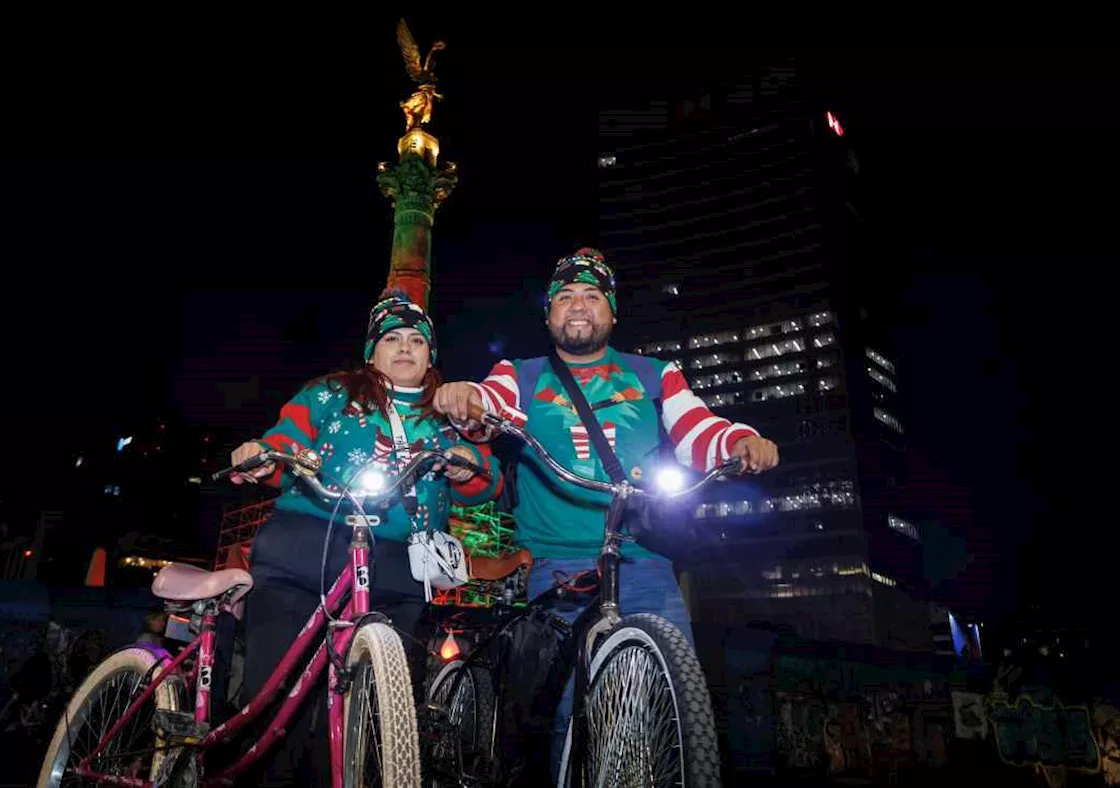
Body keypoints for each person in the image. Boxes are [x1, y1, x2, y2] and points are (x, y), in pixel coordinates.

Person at [433, 247, 779, 770]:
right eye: (565, 297)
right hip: (556, 566)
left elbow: (697, 429)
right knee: (568, 709)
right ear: (548, 314)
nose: (577, 305)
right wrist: (467, 401)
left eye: (592, 296)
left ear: (611, 313)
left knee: (669, 702)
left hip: (644, 561)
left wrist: (738, 441)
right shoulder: (520, 373)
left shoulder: (655, 374)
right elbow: (491, 408)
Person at [228, 292, 503, 786]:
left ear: (430, 355)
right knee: (275, 695)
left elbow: (487, 476)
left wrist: (468, 467)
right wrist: (264, 453)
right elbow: (286, 439)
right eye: (392, 339)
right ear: (371, 351)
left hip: (399, 566)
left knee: (380, 710)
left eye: (417, 341)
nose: (404, 348)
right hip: (306, 548)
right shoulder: (329, 394)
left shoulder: (444, 412)